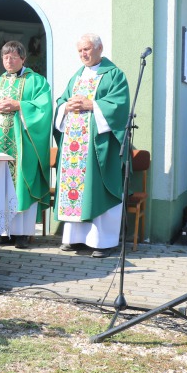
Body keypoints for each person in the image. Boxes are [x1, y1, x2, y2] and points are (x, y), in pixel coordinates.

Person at [54, 33, 130, 258]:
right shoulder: (76, 77)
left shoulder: (114, 74)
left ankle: (103, 242)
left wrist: (92, 104)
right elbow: (61, 101)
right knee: (76, 189)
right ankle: (75, 238)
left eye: (87, 49)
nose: (83, 54)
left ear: (99, 48)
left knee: (97, 189)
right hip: (75, 146)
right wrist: (65, 107)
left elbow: (119, 105)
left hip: (100, 144)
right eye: (80, 51)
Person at [0, 41, 52, 249]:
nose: (9, 60)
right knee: (0, 184)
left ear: (23, 59)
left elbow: (43, 109)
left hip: (23, 144)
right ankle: (2, 231)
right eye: (5, 57)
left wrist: (19, 105)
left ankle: (23, 234)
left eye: (14, 57)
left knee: (21, 184)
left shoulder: (36, 81)